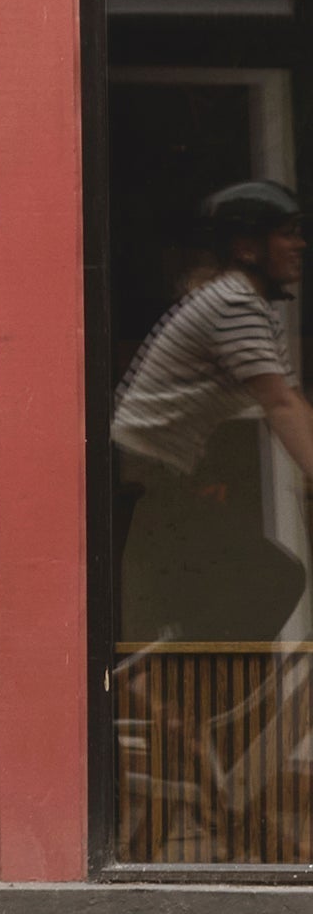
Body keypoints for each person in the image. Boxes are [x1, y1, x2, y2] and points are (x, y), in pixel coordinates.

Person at [113, 180, 313, 645]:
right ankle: (154, 674)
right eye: (287, 233)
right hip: (144, 472)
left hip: (159, 471)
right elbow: (279, 404)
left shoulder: (247, 305)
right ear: (246, 247)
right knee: (273, 576)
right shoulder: (233, 303)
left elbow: (292, 399)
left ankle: (166, 675)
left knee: (259, 575)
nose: (300, 244)